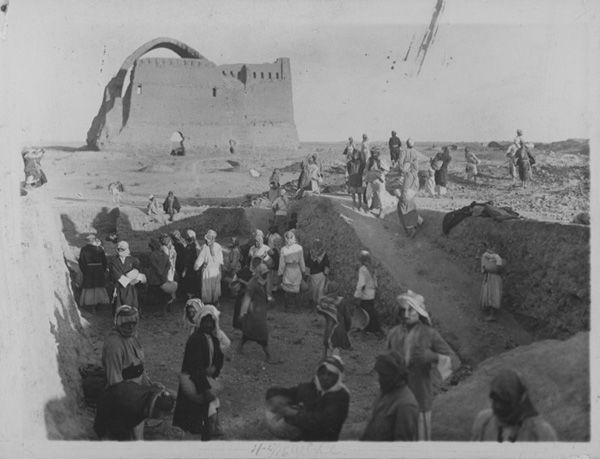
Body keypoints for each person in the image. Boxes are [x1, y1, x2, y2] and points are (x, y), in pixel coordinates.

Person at [386, 290, 457, 440]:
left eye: (410, 309)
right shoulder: (393, 334)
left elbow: (451, 359)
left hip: (420, 395)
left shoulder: (430, 334)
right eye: (403, 309)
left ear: (419, 312)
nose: (406, 313)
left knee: (419, 438)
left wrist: (431, 357)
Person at [265, 355, 350, 441]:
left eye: (330, 374)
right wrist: (275, 395)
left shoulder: (341, 397)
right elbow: (292, 393)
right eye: (322, 372)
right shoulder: (311, 388)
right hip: (304, 433)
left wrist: (293, 413)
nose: (325, 377)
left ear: (338, 377)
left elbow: (322, 422)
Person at [172, 305, 225, 440]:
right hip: (196, 384)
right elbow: (195, 368)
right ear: (200, 322)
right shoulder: (195, 339)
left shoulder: (213, 339)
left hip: (207, 381)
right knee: (200, 420)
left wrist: (215, 369)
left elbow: (219, 358)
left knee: (208, 418)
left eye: (211, 321)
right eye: (205, 321)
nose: (208, 324)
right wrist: (205, 389)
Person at [101, 305, 153, 439]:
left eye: (133, 323)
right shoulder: (114, 344)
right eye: (125, 324)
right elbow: (114, 380)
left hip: (137, 387)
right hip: (125, 392)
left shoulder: (132, 337)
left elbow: (139, 365)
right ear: (118, 323)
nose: (130, 327)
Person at [471, 369, 558, 441]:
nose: (498, 406)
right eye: (495, 400)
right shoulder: (484, 422)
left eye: (504, 402)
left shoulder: (541, 432)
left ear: (520, 400)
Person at [360, 351, 419, 441]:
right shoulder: (385, 392)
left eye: (383, 375)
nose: (379, 379)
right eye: (379, 374)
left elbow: (401, 448)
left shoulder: (406, 405)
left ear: (396, 376)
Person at [94, 382, 175, 441]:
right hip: (107, 413)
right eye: (163, 414)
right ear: (157, 409)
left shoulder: (148, 396)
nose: (163, 417)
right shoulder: (133, 408)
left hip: (117, 401)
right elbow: (121, 428)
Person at [238, 259, 277, 363]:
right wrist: (243, 313)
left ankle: (240, 346)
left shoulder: (260, 282)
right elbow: (247, 299)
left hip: (259, 311)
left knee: (248, 333)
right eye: (264, 274)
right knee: (263, 334)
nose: (266, 276)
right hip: (254, 314)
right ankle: (268, 356)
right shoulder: (252, 284)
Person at [395, 138, 423, 238]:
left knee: (402, 205)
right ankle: (419, 221)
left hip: (408, 181)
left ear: (406, 144)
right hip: (415, 183)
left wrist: (402, 170)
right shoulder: (415, 153)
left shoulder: (404, 152)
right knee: (410, 202)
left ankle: (410, 229)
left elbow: (400, 165)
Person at [316, 281, 351, 360]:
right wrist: (347, 328)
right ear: (337, 290)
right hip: (339, 328)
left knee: (327, 347)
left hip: (328, 329)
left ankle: (324, 364)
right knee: (335, 351)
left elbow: (319, 311)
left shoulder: (323, 302)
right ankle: (333, 367)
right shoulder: (342, 302)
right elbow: (347, 317)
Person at [109, 241, 144, 314]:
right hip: (120, 286)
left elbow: (139, 271)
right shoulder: (113, 261)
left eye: (122, 249)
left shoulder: (133, 260)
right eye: (119, 249)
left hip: (131, 287)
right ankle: (120, 320)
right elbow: (115, 273)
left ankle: (133, 318)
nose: (120, 251)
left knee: (132, 304)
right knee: (119, 305)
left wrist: (136, 280)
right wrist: (127, 281)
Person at [353, 250, 383, 336]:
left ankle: (371, 329)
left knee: (366, 313)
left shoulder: (363, 269)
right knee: (371, 311)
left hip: (365, 294)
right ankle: (373, 329)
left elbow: (361, 284)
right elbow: (375, 282)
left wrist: (357, 295)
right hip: (371, 293)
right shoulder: (372, 268)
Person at [78, 234, 109, 312]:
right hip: (99, 270)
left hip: (89, 270)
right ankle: (99, 304)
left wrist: (85, 271)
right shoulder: (100, 249)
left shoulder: (84, 249)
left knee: (90, 287)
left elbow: (81, 262)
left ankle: (91, 306)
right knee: (98, 286)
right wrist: (103, 270)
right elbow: (104, 261)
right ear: (94, 240)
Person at [146, 238, 177, 314]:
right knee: (164, 295)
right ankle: (166, 308)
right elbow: (168, 264)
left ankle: (156, 311)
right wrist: (164, 273)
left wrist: (159, 272)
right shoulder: (164, 254)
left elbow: (154, 266)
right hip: (163, 278)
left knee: (154, 295)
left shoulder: (152, 255)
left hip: (154, 279)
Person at [278, 230, 306, 310]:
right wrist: (303, 271)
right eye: (288, 237)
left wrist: (280, 273)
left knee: (287, 290)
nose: (289, 239)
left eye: (290, 237)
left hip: (288, 270)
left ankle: (288, 308)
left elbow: (282, 263)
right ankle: (297, 308)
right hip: (296, 269)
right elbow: (301, 261)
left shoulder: (283, 249)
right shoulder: (299, 248)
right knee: (296, 290)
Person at [194, 229, 224, 306]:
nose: (207, 241)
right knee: (207, 287)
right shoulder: (204, 247)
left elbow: (219, 260)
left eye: (210, 239)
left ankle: (216, 301)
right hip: (207, 270)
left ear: (213, 239)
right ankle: (207, 302)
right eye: (207, 239)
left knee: (215, 286)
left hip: (215, 270)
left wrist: (220, 270)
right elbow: (201, 257)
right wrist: (197, 265)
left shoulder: (218, 247)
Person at [480, 244, 505, 321]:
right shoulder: (487, 258)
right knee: (488, 293)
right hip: (489, 278)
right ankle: (487, 310)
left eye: (495, 249)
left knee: (494, 295)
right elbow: (485, 267)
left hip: (495, 280)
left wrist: (490, 266)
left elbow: (498, 269)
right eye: (491, 249)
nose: (492, 250)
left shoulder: (500, 260)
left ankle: (492, 315)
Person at [365, 146, 390, 218]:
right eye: (372, 153)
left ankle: (381, 211)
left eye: (375, 153)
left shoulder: (381, 160)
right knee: (368, 195)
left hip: (379, 181)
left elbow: (387, 170)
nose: (373, 154)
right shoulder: (369, 160)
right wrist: (367, 175)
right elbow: (366, 169)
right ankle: (370, 206)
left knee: (381, 196)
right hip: (371, 180)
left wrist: (380, 173)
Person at [305, 238, 330, 307]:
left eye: (318, 244)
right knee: (313, 291)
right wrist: (307, 275)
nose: (316, 246)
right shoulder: (310, 253)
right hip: (312, 275)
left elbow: (326, 265)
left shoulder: (324, 254)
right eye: (315, 244)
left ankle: (320, 304)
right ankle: (312, 304)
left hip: (321, 276)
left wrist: (325, 275)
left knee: (320, 291)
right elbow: (307, 264)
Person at [181, 229, 202, 299]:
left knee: (190, 284)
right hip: (197, 268)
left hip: (190, 269)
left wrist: (184, 270)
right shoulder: (197, 246)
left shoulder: (189, 248)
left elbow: (187, 260)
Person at [346, 147, 366, 211]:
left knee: (359, 193)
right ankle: (354, 204)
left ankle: (359, 205)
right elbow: (348, 170)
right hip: (352, 179)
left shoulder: (362, 163)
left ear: (359, 155)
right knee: (353, 193)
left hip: (359, 179)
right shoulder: (350, 163)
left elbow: (363, 170)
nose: (355, 156)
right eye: (354, 154)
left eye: (357, 154)